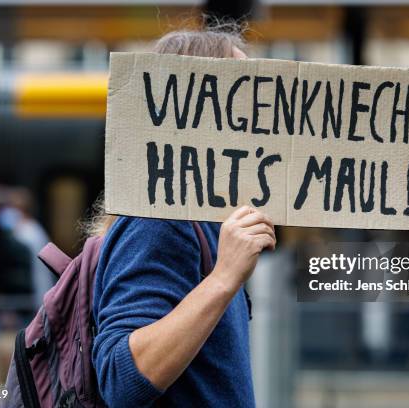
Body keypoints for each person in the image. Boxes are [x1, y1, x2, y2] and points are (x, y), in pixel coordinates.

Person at [91, 28, 277, 407]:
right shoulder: (159, 221)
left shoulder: (205, 219)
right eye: (243, 94)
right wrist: (224, 277)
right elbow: (120, 378)